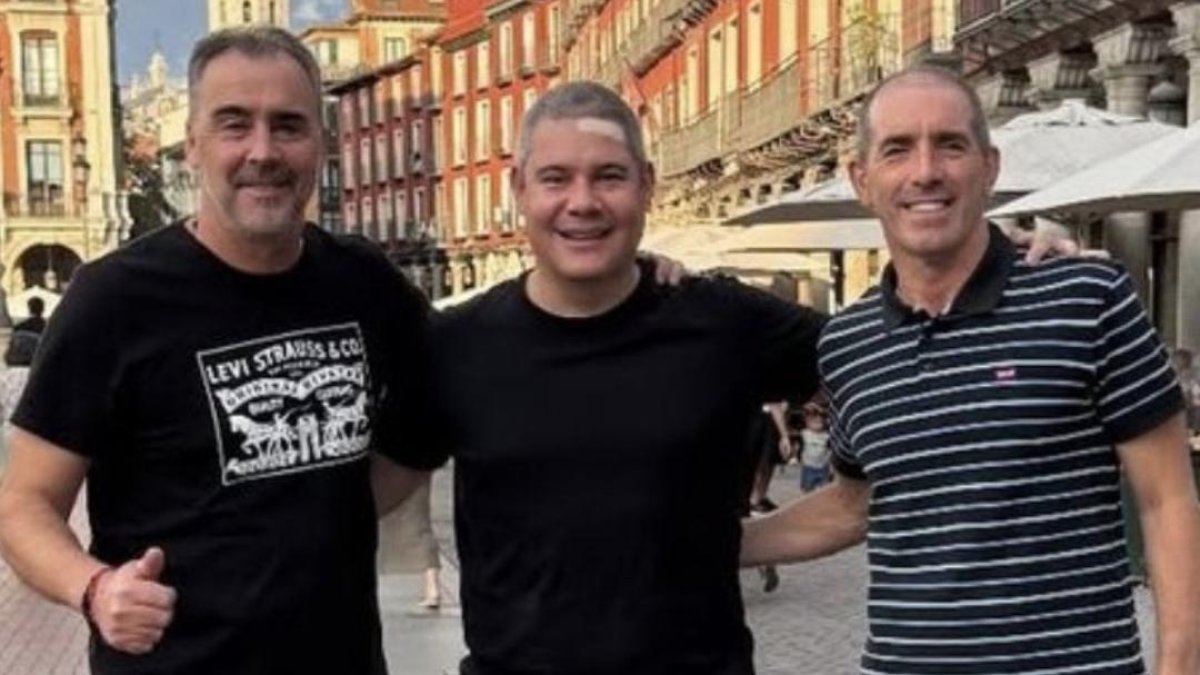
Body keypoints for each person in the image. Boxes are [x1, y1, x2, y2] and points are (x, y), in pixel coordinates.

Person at [0, 26, 440, 675]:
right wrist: (94, 588)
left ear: (321, 143)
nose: (263, 151)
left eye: (288, 125)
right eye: (235, 124)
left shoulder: (364, 282)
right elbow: (23, 506)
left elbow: (428, 424)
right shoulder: (112, 300)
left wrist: (320, 512)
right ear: (193, 145)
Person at [742, 65, 1200, 675]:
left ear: (989, 167)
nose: (925, 171)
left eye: (950, 145)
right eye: (897, 149)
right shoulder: (848, 344)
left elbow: (1167, 500)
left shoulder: (1088, 297)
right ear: (862, 179)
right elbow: (856, 504)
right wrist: (716, 543)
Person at [430, 81, 827, 674]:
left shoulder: (723, 321)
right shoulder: (454, 344)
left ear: (646, 185)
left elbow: (895, 372)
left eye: (609, 177)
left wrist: (758, 537)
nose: (583, 201)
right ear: (519, 190)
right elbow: (341, 501)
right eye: (556, 178)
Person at [796, 403, 830, 493]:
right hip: (808, 467)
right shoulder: (804, 433)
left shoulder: (827, 435)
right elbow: (797, 445)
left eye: (820, 420)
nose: (817, 421)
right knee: (807, 489)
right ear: (806, 422)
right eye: (813, 420)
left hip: (823, 467)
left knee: (824, 490)